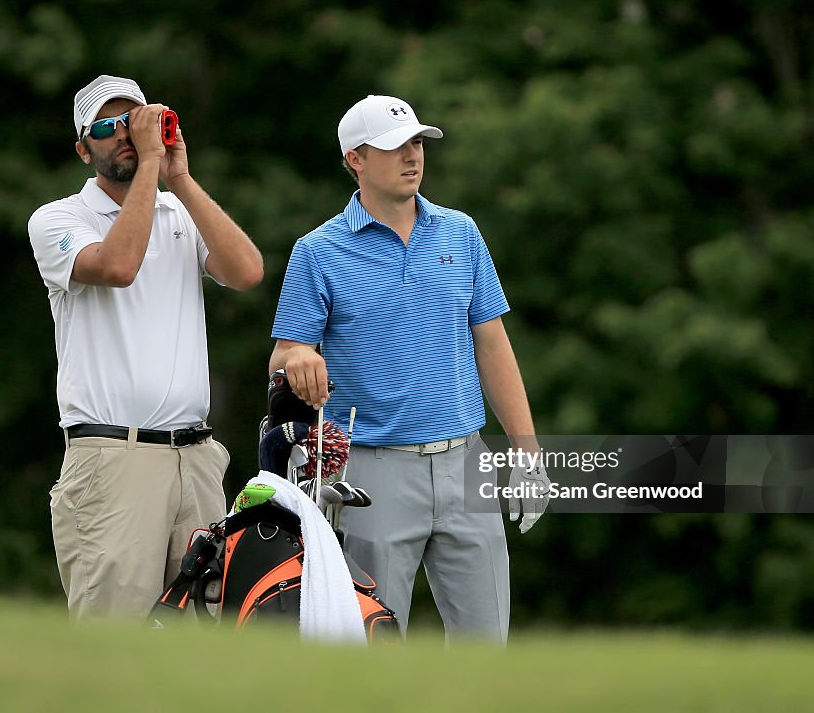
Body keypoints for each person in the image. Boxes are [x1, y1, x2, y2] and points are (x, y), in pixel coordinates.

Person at [268, 95, 546, 642]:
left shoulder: (460, 233)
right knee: (375, 645)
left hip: (467, 463)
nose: (412, 155)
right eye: (395, 146)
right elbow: (285, 355)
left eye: (417, 142)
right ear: (356, 159)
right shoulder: (318, 251)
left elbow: (491, 344)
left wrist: (527, 450)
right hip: (372, 472)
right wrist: (299, 356)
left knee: (487, 645)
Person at [28, 75, 263, 619]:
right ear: (84, 149)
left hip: (196, 459)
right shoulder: (59, 218)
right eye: (110, 127)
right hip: (113, 459)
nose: (127, 136)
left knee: (203, 635)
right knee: (115, 638)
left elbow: (247, 271)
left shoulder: (178, 211)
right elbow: (117, 266)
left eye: (137, 122)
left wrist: (177, 177)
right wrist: (152, 168)